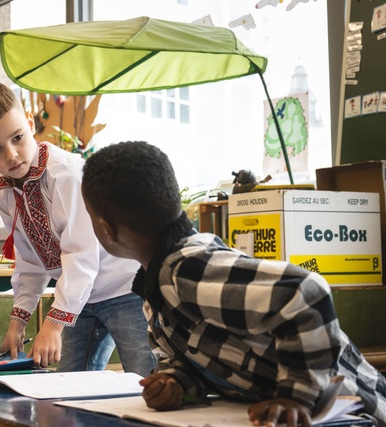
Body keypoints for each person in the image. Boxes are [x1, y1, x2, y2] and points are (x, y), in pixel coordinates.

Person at [80, 140, 386, 427]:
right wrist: (176, 381)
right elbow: (209, 353)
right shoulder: (158, 282)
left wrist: (297, 396)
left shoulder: (185, 271)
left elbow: (304, 292)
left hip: (361, 412)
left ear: (106, 229)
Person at [0, 82, 154, 376]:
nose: (12, 155)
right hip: (78, 300)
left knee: (146, 379)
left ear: (29, 123)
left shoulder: (67, 173)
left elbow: (81, 254)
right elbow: (30, 261)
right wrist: (18, 322)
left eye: (17, 138)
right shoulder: (2, 192)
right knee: (68, 384)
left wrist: (52, 324)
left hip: (125, 288)